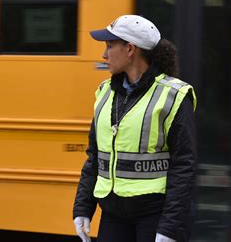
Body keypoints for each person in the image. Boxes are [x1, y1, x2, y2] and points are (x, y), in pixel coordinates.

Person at [73, 15, 197, 242]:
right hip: (114, 214)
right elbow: (94, 155)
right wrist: (83, 207)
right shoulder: (104, 92)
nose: (103, 55)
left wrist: (170, 228)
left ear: (130, 49)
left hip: (154, 216)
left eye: (110, 46)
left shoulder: (174, 96)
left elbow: (184, 166)